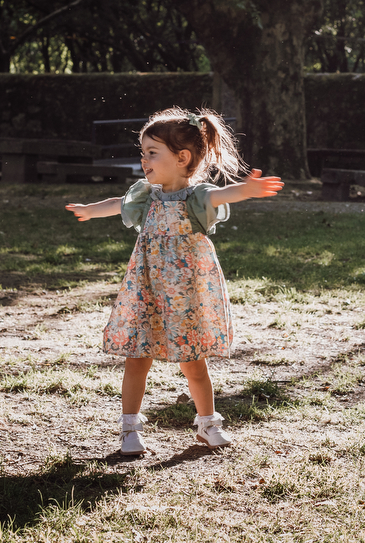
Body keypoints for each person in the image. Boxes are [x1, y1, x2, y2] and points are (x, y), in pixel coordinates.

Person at [65, 107, 284, 456]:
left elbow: (222, 196)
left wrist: (247, 190)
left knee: (193, 360)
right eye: (143, 152)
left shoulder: (196, 198)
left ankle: (208, 424)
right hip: (147, 289)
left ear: (182, 158)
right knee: (138, 356)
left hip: (185, 295)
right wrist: (91, 210)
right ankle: (130, 428)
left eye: (153, 152)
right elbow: (118, 203)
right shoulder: (145, 195)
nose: (144, 160)